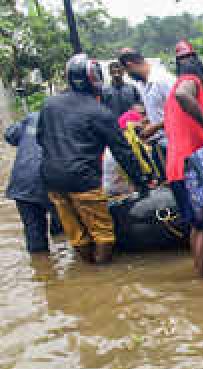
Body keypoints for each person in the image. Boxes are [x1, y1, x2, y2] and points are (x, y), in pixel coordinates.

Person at [37, 53, 149, 265]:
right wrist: (141, 182)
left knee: (76, 233)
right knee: (103, 233)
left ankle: (88, 271)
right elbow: (122, 151)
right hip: (83, 180)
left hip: (52, 179)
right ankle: (103, 276)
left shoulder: (49, 105)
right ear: (95, 79)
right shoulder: (100, 113)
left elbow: (41, 138)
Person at [163, 54, 203, 277]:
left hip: (176, 168)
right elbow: (185, 95)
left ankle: (200, 274)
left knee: (197, 225)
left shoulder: (171, 93)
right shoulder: (190, 82)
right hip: (194, 168)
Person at [3, 111, 63, 254]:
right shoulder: (75, 119)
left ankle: (41, 270)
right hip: (54, 182)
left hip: (23, 184)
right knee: (66, 229)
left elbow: (10, 136)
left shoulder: (32, 117)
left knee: (34, 235)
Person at [118, 48, 176, 180]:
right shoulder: (142, 85)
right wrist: (145, 121)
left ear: (130, 65)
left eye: (126, 72)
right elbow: (161, 111)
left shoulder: (163, 80)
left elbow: (181, 112)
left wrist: (155, 127)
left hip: (176, 143)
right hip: (161, 145)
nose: (128, 75)